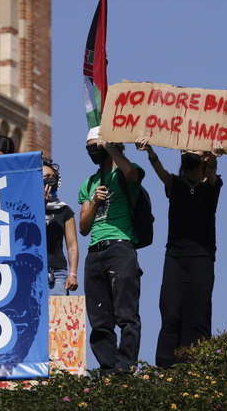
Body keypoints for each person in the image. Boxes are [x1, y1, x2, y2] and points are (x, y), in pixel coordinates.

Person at [136, 137, 223, 368]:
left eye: (193, 149)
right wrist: (150, 151)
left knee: (199, 313)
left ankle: (198, 365)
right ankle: (165, 366)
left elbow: (212, 174)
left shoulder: (212, 185)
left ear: (203, 155)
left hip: (202, 257)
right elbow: (160, 171)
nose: (188, 153)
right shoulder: (175, 184)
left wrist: (213, 156)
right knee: (170, 311)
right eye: (184, 150)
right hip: (175, 257)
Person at [78, 126, 145, 374]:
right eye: (89, 149)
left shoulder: (126, 172)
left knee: (126, 313)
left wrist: (109, 147)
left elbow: (130, 172)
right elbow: (83, 227)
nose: (94, 152)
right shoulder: (89, 183)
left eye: (97, 147)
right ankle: (107, 369)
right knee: (99, 317)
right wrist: (95, 200)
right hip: (95, 250)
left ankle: (125, 366)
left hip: (120, 246)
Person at [43, 157, 79, 295]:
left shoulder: (64, 210)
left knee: (56, 315)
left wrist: (72, 274)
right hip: (30, 270)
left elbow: (72, 245)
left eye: (53, 177)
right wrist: (41, 205)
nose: (51, 180)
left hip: (56, 273)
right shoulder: (27, 207)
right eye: (46, 177)